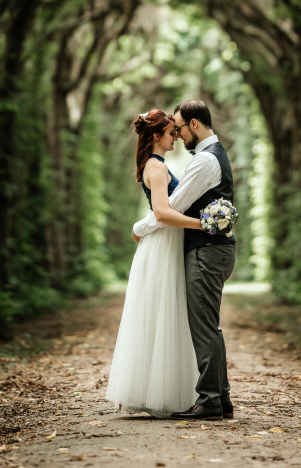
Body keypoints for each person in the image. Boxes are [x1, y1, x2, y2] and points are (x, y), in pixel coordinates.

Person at [133, 99, 236, 422]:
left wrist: (140, 227)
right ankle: (220, 399)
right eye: (171, 130)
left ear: (194, 125)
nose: (176, 135)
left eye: (178, 128)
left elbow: (172, 206)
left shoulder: (205, 161)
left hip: (207, 250)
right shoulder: (208, 156)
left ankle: (209, 401)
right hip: (209, 248)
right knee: (208, 326)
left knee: (204, 327)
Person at [106, 109, 202, 418]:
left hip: (166, 242)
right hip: (162, 245)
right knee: (163, 313)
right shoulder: (157, 168)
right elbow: (161, 213)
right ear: (156, 135)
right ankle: (161, 395)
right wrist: (203, 224)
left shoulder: (157, 165)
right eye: (172, 132)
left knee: (164, 314)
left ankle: (160, 391)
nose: (176, 136)